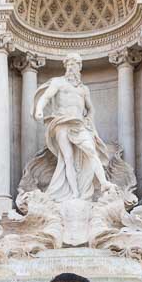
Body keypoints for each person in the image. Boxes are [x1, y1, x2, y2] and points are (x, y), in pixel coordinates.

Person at [32, 53, 113, 201]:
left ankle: (103, 183)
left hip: (79, 124)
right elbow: (46, 97)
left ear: (79, 67)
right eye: (68, 64)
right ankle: (75, 193)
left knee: (91, 151)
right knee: (67, 158)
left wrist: (89, 119)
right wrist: (39, 109)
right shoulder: (58, 82)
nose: (70, 67)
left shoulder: (84, 89)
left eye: (74, 64)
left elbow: (91, 109)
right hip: (61, 123)